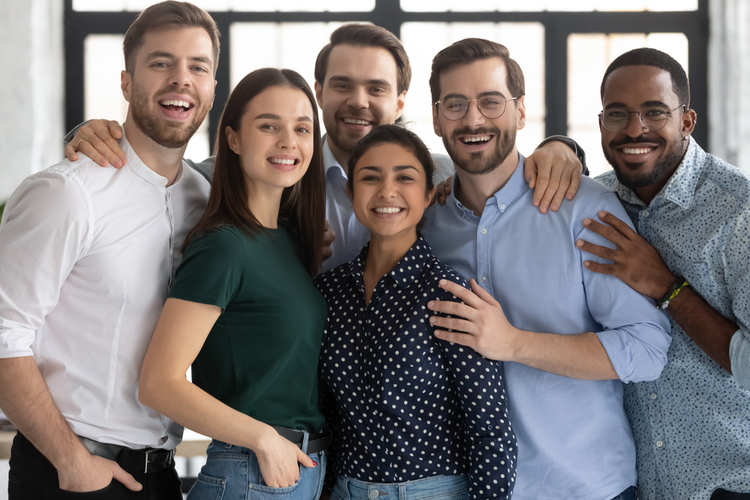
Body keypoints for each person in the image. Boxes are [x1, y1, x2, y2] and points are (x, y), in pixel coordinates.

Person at [64, 23, 587, 272]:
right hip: (300, 409)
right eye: (342, 86)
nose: (358, 102)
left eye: (377, 89)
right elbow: (170, 169)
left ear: (401, 100)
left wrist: (563, 146)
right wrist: (90, 133)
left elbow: (499, 167)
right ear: (318, 93)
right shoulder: (269, 169)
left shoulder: (441, 175)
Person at [421, 38, 672, 500]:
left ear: (519, 112)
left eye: (490, 102)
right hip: (463, 488)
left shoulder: (585, 211)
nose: (473, 119)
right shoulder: (425, 222)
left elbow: (646, 348)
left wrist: (512, 343)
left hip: (582, 488)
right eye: (455, 105)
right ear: (436, 118)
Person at [0, 2, 218, 499]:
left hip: (161, 475)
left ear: (210, 89)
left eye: (197, 67)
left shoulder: (204, 200)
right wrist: (71, 461)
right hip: (73, 471)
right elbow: (3, 331)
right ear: (126, 83)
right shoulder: (68, 193)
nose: (181, 79)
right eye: (161, 63)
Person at [138, 67, 330, 500]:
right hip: (252, 471)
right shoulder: (223, 245)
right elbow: (158, 382)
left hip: (300, 471)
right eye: (268, 126)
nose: (288, 141)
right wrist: (262, 439)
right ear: (233, 138)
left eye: (302, 128)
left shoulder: (289, 241)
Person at [575, 48, 750, 500]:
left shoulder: (739, 212)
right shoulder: (594, 205)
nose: (635, 129)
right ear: (600, 124)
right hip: (635, 487)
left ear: (687, 121)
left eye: (654, 112)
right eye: (618, 114)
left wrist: (666, 288)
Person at [316, 124, 516, 500]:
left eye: (404, 178)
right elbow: (327, 414)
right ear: (350, 192)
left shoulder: (451, 296)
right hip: (345, 489)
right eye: (370, 177)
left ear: (427, 195)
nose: (387, 191)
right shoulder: (328, 293)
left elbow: (491, 431)